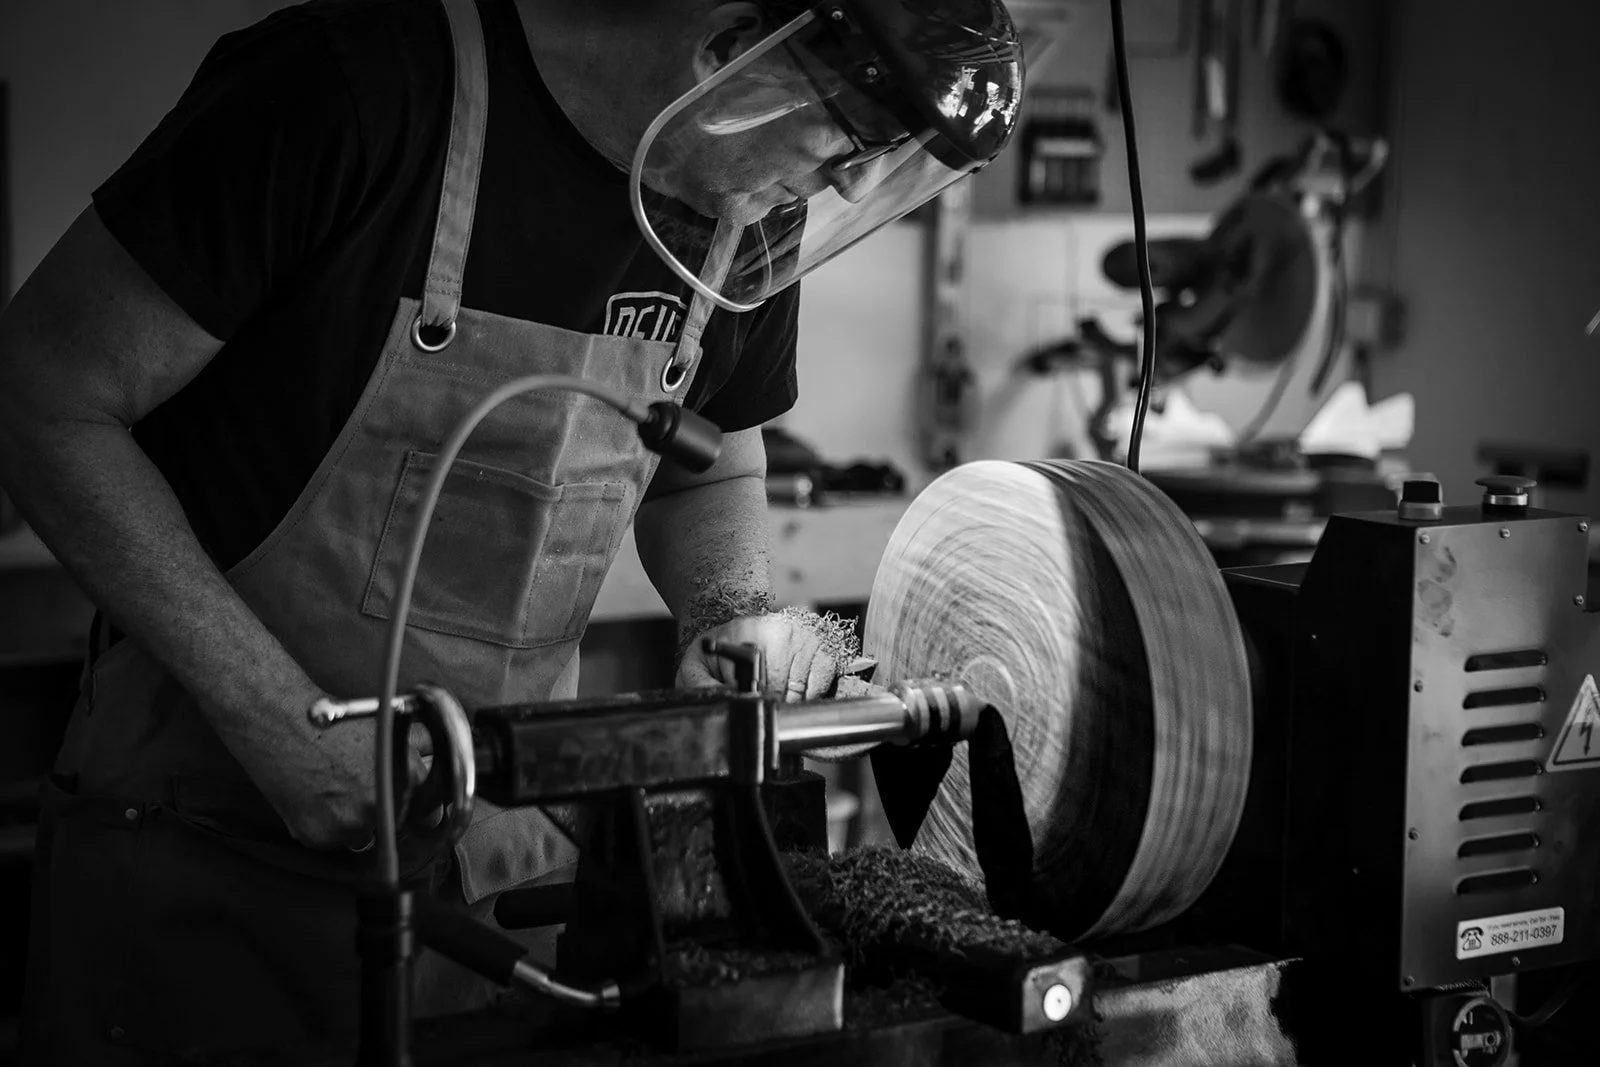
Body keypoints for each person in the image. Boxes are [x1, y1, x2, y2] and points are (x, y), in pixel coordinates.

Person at [0, 0, 1025, 1061]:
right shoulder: (353, 89)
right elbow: (42, 394)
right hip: (203, 856)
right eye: (847, 144)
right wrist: (285, 726)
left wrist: (729, 607)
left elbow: (712, 462)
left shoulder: (746, 214)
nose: (837, 190)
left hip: (492, 872)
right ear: (733, 43)